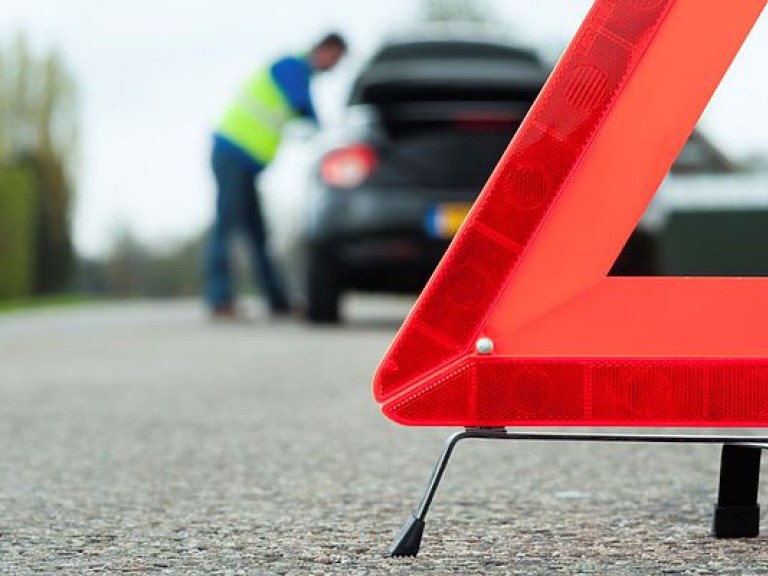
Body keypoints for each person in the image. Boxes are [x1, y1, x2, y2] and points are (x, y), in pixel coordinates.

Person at [206, 33, 347, 318]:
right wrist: (329, 135)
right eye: (335, 58)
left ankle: (277, 301)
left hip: (244, 162)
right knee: (227, 225)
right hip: (232, 153)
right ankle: (219, 298)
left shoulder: (296, 72)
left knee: (257, 233)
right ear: (324, 49)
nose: (334, 66)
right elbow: (303, 105)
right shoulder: (290, 66)